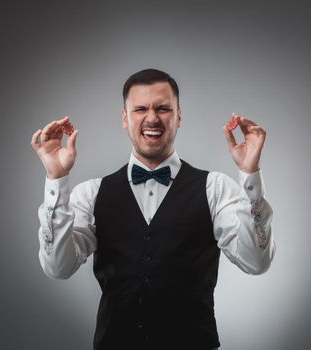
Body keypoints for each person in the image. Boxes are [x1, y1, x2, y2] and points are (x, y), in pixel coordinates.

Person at [30, 68, 275, 350]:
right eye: (140, 109)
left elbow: (257, 262)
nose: (152, 118)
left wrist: (249, 173)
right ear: (125, 117)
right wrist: (56, 179)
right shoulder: (92, 194)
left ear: (178, 117)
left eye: (162, 108)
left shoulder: (215, 188)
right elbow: (57, 267)